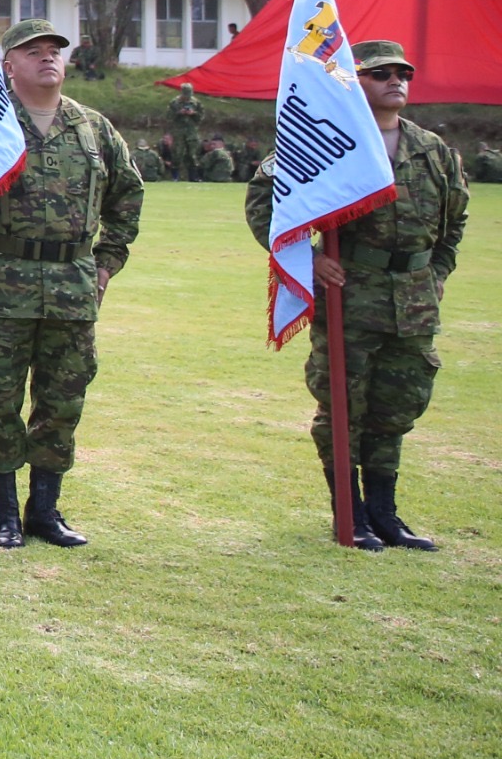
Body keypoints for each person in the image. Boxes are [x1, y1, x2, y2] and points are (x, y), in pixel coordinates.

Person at [245, 40, 466, 551]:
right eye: (380, 74)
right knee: (344, 405)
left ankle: (385, 513)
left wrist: (434, 276)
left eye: (401, 73)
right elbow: (268, 203)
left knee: (397, 407)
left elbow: (453, 225)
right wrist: (308, 260)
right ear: (353, 81)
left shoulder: (433, 151)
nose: (395, 81)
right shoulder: (323, 142)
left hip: (413, 300)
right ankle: (350, 511)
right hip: (351, 295)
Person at [0, 17, 144, 548]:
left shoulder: (93, 128)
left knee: (63, 398)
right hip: (2, 282)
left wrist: (108, 260)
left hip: (72, 283)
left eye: (54, 50)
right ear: (9, 65)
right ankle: (2, 512)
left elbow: (127, 195)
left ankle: (44, 509)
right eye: (33, 51)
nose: (47, 58)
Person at [168, 79, 203, 162]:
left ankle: (192, 172)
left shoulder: (196, 102)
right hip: (178, 131)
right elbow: (169, 117)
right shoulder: (174, 102)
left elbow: (201, 117)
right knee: (178, 152)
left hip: (191, 131)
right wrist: (179, 113)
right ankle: (176, 171)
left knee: (192, 153)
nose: (187, 97)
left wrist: (193, 113)